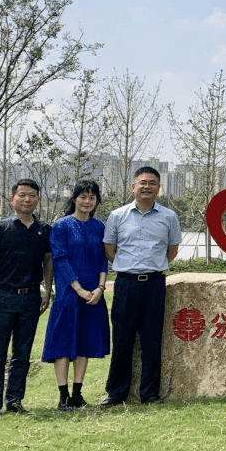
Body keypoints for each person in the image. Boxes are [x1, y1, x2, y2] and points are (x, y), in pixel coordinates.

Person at [99, 166, 181, 407]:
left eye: (153, 183)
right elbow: (109, 249)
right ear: (133, 186)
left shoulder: (169, 217)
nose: (147, 186)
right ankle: (116, 393)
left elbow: (172, 250)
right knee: (122, 339)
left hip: (155, 284)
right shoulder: (117, 216)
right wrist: (128, 266)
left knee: (152, 339)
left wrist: (154, 266)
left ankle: (150, 394)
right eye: (143, 182)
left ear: (159, 188)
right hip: (126, 284)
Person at [0, 179, 52, 418]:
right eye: (22, 195)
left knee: (22, 354)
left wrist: (48, 290)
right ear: (12, 199)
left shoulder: (44, 230)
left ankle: (15, 401)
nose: (27, 200)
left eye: (32, 196)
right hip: (3, 297)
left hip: (31, 297)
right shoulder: (0, 229)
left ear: (37, 200)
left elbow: (48, 262)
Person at [41, 180, 110, 410]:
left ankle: (78, 394)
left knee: (85, 342)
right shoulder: (61, 226)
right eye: (83, 197)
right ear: (74, 199)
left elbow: (103, 259)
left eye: (92, 197)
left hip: (93, 295)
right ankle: (63, 397)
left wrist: (100, 288)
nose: (87, 201)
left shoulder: (100, 227)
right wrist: (79, 289)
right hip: (69, 295)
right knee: (63, 342)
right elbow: (60, 259)